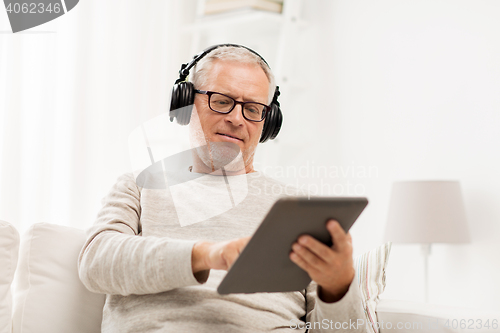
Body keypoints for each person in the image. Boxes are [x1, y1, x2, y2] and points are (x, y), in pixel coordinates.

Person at [78, 45, 368, 333]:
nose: (237, 119)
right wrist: (207, 255)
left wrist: (339, 286)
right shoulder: (140, 185)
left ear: (267, 123)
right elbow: (96, 262)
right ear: (186, 104)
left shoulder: (298, 207)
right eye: (222, 101)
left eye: (253, 109)